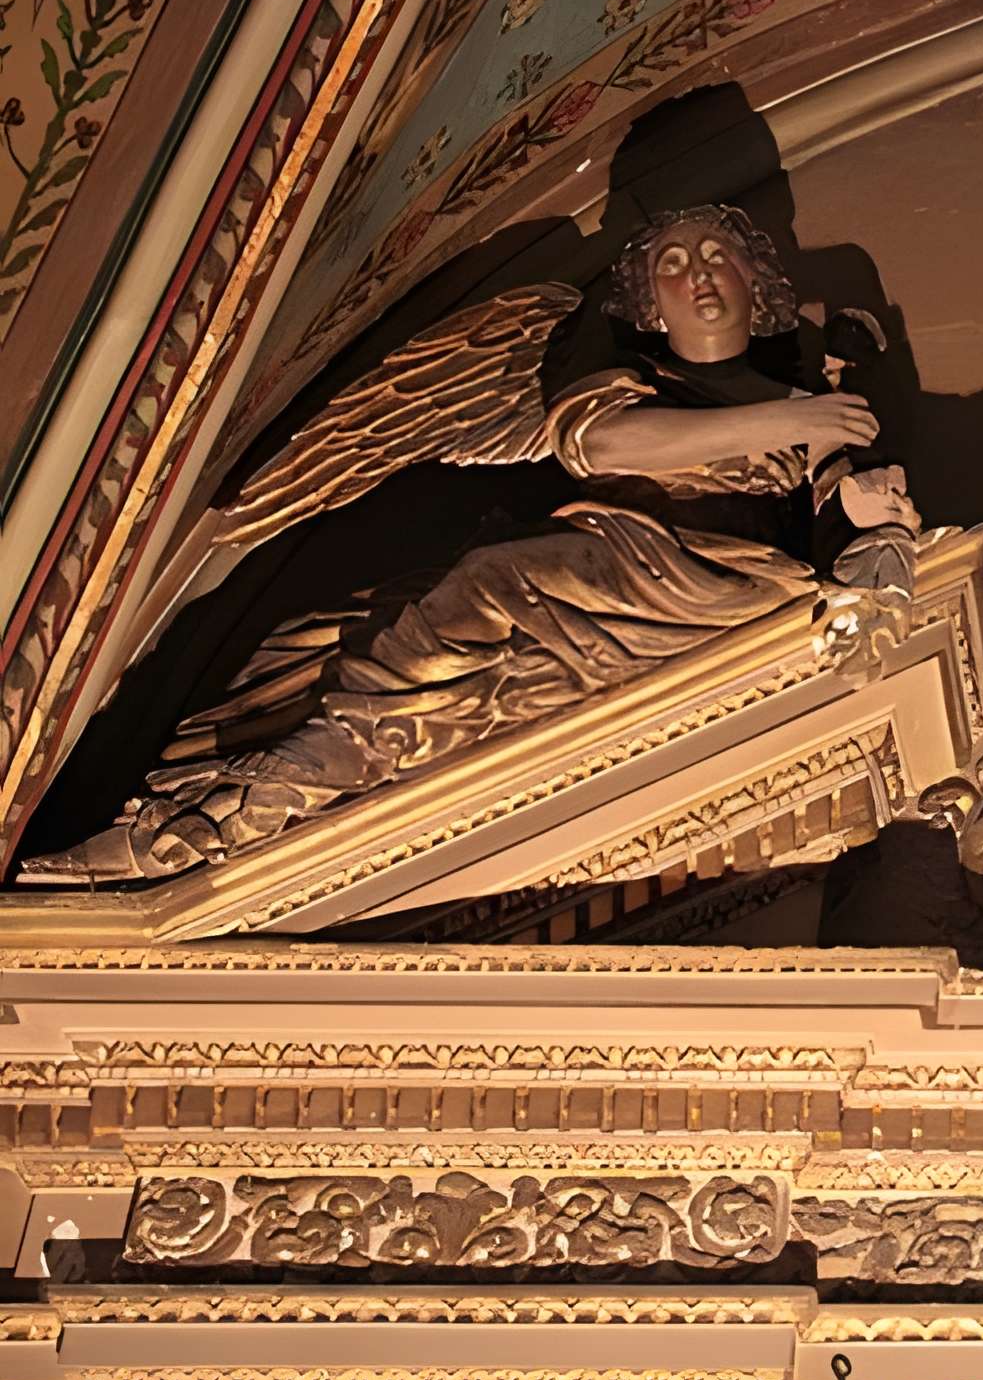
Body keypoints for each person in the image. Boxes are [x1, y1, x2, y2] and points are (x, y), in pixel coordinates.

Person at [29, 206, 919, 883]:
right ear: (649, 299)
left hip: (724, 581)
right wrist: (793, 418)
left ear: (753, 279)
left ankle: (283, 784)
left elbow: (841, 500)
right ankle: (232, 800)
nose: (700, 278)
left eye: (716, 256)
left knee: (493, 580)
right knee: (324, 640)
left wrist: (862, 495)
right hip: (627, 557)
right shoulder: (639, 379)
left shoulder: (814, 390)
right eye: (674, 265)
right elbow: (604, 445)